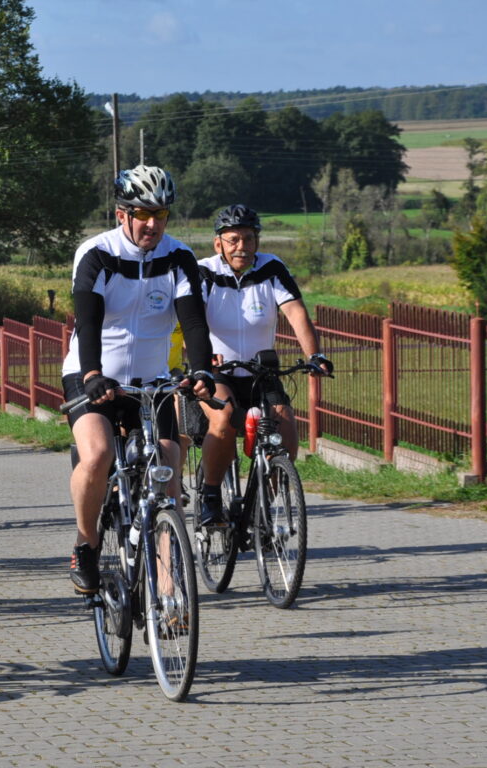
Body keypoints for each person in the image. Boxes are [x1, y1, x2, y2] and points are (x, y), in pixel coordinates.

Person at [61, 164, 215, 595]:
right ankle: (86, 542)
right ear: (121, 213)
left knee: (167, 470)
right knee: (97, 453)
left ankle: (169, 590)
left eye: (160, 215)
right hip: (91, 374)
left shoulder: (179, 257)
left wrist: (201, 370)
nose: (152, 224)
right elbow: (87, 322)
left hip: (153, 380)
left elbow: (195, 323)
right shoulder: (96, 254)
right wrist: (92, 373)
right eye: (142, 214)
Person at [196, 204, 332, 523]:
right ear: (219, 243)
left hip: (261, 372)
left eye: (248, 238)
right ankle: (211, 496)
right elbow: (192, 322)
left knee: (285, 431)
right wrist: (201, 356)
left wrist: (315, 356)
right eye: (233, 240)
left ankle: (262, 508)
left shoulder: (271, 267)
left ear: (257, 240)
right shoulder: (204, 271)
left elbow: (296, 312)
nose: (241, 246)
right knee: (224, 419)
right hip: (219, 372)